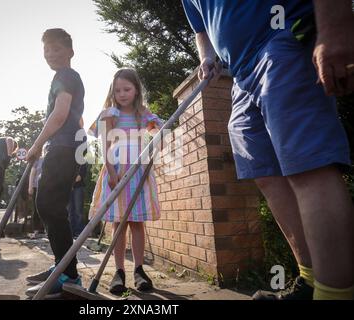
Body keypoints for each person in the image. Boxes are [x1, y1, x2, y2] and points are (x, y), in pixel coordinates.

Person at [182, 0, 354, 300]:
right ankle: (312, 280)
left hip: (282, 41)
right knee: (267, 175)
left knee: (308, 167)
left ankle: (336, 293)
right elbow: (202, 30)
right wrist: (207, 57)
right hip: (241, 75)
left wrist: (334, 28)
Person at [88, 68, 163, 294]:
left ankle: (139, 270)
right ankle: (118, 271)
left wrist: (158, 130)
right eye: (118, 90)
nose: (122, 94)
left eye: (127, 89)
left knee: (137, 223)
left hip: (138, 173)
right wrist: (111, 173)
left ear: (136, 90)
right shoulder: (110, 114)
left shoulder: (143, 113)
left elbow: (159, 133)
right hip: (117, 172)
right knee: (118, 224)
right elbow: (105, 145)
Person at [24, 28, 84, 298]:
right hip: (61, 148)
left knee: (49, 206)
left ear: (70, 52)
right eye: (46, 50)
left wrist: (36, 145)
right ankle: (62, 266)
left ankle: (69, 275)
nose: (50, 54)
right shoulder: (64, 78)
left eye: (56, 49)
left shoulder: (66, 76)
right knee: (51, 207)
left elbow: (59, 115)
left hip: (64, 147)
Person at [28, 145, 47, 238]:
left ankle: (45, 229)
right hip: (37, 187)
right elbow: (32, 173)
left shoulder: (53, 161)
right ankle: (36, 230)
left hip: (48, 188)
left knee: (47, 209)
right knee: (36, 209)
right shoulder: (38, 161)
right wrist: (30, 187)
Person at [68, 163, 87, 238]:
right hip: (68, 188)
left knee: (78, 210)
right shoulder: (68, 160)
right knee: (69, 211)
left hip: (78, 188)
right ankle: (70, 232)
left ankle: (79, 232)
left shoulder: (82, 162)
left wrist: (70, 182)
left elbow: (79, 177)